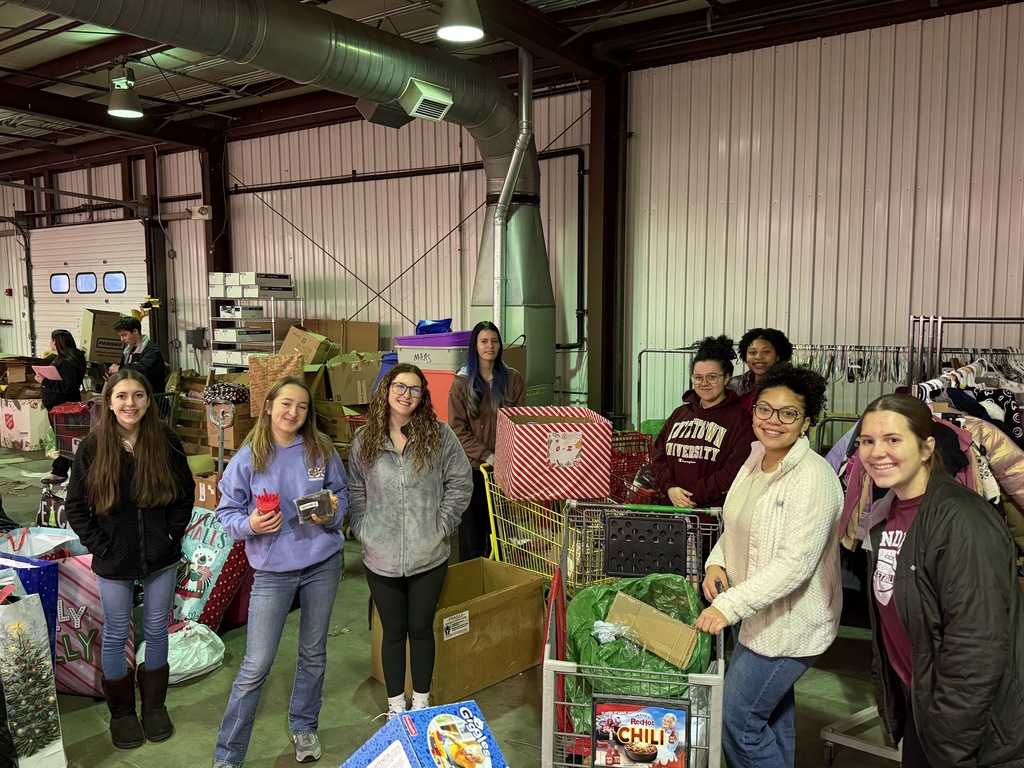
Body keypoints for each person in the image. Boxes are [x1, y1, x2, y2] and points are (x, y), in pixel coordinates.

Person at [857, 394, 1024, 768]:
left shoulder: (965, 522)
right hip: (923, 701)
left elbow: (977, 647)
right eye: (867, 441)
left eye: (893, 440)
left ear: (927, 447)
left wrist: (949, 740)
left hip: (967, 726)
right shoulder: (887, 513)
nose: (877, 452)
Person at [696, 364, 843, 768]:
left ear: (807, 421)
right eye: (765, 409)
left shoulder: (813, 478)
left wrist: (728, 606)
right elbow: (737, 524)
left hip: (789, 625)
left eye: (788, 413)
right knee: (771, 716)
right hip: (754, 614)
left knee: (739, 724)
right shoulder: (755, 457)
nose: (772, 421)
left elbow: (794, 565)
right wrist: (717, 563)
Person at [213, 376, 349, 767]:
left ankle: (304, 725)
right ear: (269, 406)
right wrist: (251, 526)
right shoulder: (248, 458)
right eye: (286, 404)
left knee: (313, 653)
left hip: (322, 564)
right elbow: (226, 514)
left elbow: (343, 493)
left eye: (302, 407)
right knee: (256, 665)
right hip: (273, 573)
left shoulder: (319, 450)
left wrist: (332, 512)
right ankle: (228, 755)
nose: (293, 412)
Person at [64, 369, 195, 750]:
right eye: (121, 396)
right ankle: (122, 712)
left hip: (161, 556)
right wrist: (99, 545)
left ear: (148, 401)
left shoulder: (165, 440)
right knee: (117, 633)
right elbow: (75, 505)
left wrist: (171, 533)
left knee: (156, 630)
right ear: (109, 402)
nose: (130, 404)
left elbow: (185, 494)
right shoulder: (93, 447)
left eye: (138, 395)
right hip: (113, 559)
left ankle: (154, 706)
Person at [349, 363, 473, 719]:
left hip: (428, 554)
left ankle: (420, 702)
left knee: (420, 630)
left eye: (415, 389)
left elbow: (461, 482)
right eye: (400, 387)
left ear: (423, 396)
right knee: (393, 631)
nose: (406, 394)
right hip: (381, 554)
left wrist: (442, 524)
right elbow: (356, 488)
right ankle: (394, 707)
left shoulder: (440, 434)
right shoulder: (366, 441)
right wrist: (363, 527)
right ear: (386, 390)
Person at [447, 321, 525, 560]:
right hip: (472, 468)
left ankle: (498, 588)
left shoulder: (513, 379)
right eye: (484, 341)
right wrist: (487, 455)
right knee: (473, 536)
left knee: (501, 534)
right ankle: (473, 587)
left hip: (504, 469)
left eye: (494, 341)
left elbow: (521, 422)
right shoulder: (461, 384)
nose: (490, 346)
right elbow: (457, 430)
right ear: (475, 346)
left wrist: (507, 459)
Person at [651, 335, 755, 509]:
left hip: (711, 517)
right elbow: (658, 456)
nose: (704, 383)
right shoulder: (679, 414)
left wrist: (692, 495)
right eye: (698, 377)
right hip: (671, 510)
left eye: (712, 377)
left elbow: (734, 471)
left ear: (727, 378)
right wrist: (670, 488)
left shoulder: (741, 421)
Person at [35, 328, 86, 484]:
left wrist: (44, 381)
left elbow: (67, 386)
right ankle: (62, 471)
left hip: (64, 407)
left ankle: (70, 475)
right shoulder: (65, 359)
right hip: (59, 407)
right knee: (64, 441)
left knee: (68, 441)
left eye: (51, 339)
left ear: (56, 341)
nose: (50, 342)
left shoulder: (67, 361)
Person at [730, 327, 793, 412]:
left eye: (766, 352)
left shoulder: (790, 387)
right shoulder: (734, 384)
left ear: (778, 356)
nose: (758, 357)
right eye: (753, 353)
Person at [109, 316, 166, 394]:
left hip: (151, 398)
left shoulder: (152, 351)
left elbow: (143, 370)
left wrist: (120, 368)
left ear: (135, 331)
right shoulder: (128, 350)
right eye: (120, 336)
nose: (122, 340)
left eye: (124, 335)